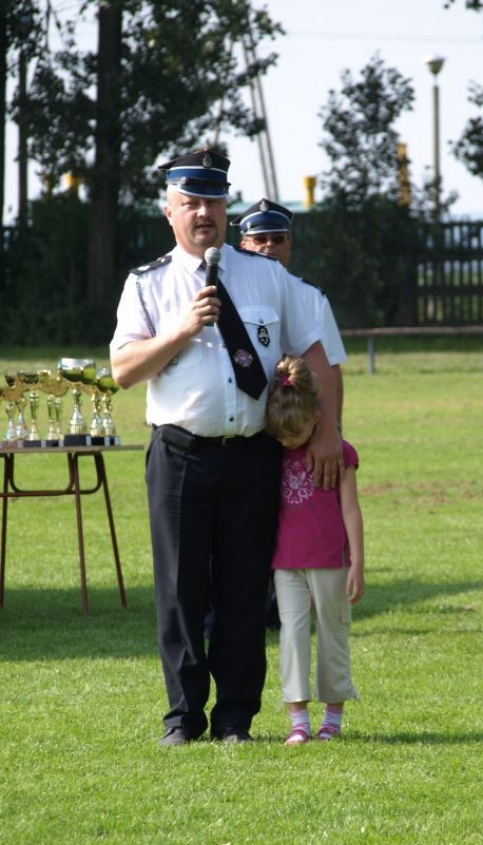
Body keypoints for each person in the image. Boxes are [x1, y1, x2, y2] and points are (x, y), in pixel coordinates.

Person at [109, 148, 343, 747]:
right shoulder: (148, 284)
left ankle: (235, 720)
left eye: (212, 201)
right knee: (182, 592)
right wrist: (182, 328)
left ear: (226, 206)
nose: (202, 213)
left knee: (243, 592)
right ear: (170, 211)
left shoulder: (267, 276)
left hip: (252, 454)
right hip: (180, 453)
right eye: (190, 203)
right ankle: (183, 719)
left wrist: (326, 431)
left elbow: (315, 351)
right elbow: (123, 369)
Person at [265, 355, 364, 745]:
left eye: (296, 434)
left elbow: (352, 510)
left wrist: (358, 562)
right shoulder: (274, 452)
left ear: (317, 418)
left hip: (331, 563)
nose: (289, 442)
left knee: (332, 634)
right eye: (281, 437)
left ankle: (333, 717)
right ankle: (298, 719)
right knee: (291, 635)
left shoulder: (340, 454)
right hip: (286, 564)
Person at [231, 198, 346, 427]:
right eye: (260, 239)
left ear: (289, 242)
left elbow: (331, 367)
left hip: (297, 423)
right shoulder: (231, 293)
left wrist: (333, 430)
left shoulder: (311, 296)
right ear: (244, 245)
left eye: (278, 239)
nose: (270, 245)